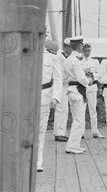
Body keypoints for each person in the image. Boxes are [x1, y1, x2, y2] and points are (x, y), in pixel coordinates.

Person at [63, 36, 93, 154]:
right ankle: (72, 146)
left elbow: (65, 77)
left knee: (76, 119)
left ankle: (74, 145)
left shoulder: (67, 60)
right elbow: (81, 78)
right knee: (79, 120)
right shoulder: (76, 60)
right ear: (79, 46)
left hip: (71, 90)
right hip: (78, 90)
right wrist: (89, 81)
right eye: (82, 45)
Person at [37, 38, 63, 171]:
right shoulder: (24, 54)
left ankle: (38, 162)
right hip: (26, 97)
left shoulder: (52, 57)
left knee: (41, 130)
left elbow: (58, 79)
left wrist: (55, 97)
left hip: (44, 96)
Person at [80, 43, 104, 139]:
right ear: (82, 51)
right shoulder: (79, 61)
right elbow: (76, 73)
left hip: (92, 86)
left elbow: (99, 73)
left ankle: (95, 131)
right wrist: (83, 71)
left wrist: (93, 74)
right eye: (85, 50)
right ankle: (81, 132)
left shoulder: (95, 62)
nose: (87, 52)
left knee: (93, 110)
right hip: (82, 87)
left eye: (89, 50)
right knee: (81, 110)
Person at [54, 38, 72, 142]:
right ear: (65, 47)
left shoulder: (67, 57)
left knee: (63, 110)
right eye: (69, 47)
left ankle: (59, 132)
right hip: (60, 85)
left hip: (65, 85)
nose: (70, 49)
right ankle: (59, 133)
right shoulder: (60, 56)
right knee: (61, 109)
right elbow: (59, 73)